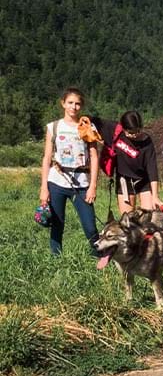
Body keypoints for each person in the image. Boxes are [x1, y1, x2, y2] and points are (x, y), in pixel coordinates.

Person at [39, 87, 100, 256]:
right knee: (57, 224)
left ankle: (99, 260)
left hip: (82, 183)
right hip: (57, 181)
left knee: (90, 226)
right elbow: (47, 158)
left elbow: (94, 157)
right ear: (63, 103)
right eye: (70, 103)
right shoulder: (53, 127)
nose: (74, 107)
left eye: (78, 104)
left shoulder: (88, 127)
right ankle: (56, 261)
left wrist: (93, 185)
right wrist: (44, 188)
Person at [94, 110, 162, 214]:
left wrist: (155, 196)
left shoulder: (147, 141)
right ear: (123, 128)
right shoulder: (114, 131)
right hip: (124, 182)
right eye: (130, 133)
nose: (135, 135)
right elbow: (92, 121)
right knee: (128, 221)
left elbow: (152, 169)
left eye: (138, 131)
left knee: (149, 218)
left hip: (143, 181)